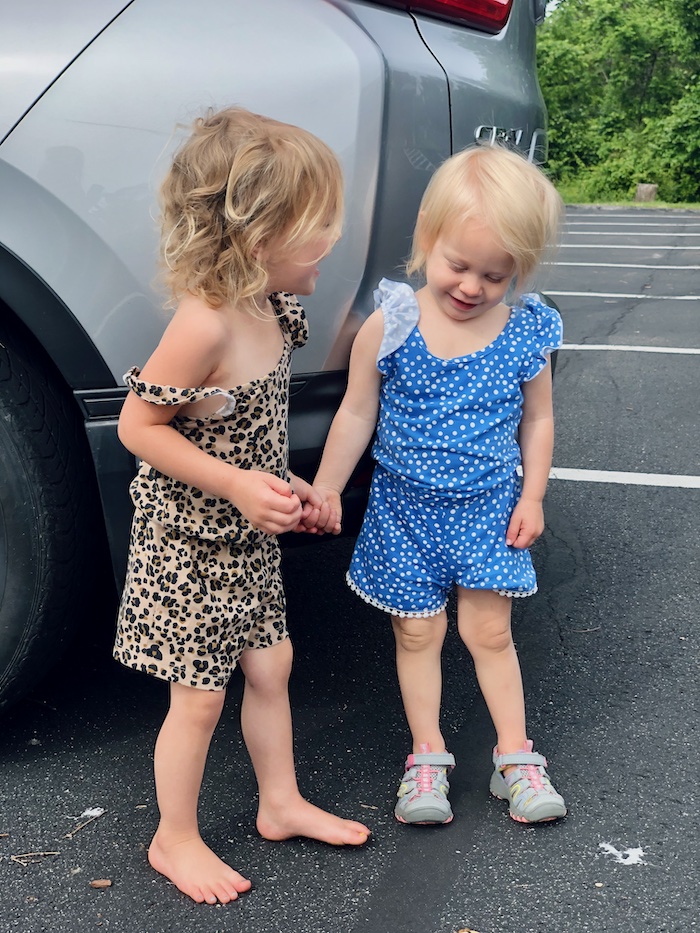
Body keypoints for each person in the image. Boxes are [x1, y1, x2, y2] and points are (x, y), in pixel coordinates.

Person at [113, 106, 369, 906]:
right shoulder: (205, 325)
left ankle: (279, 801)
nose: (334, 236)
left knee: (272, 663)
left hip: (246, 537)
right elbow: (138, 427)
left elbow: (245, 432)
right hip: (187, 543)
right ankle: (173, 836)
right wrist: (233, 486)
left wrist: (290, 486)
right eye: (320, 224)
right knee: (200, 696)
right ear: (260, 237)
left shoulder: (269, 309)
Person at [311, 144, 568, 826]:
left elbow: (538, 419)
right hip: (404, 513)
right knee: (417, 635)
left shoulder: (524, 331)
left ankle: (515, 757)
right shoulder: (393, 323)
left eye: (495, 274)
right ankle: (427, 757)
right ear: (428, 235)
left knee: (490, 632)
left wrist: (533, 494)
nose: (472, 287)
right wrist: (329, 486)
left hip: (488, 511)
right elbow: (357, 411)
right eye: (459, 264)